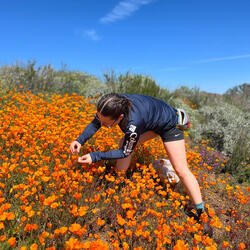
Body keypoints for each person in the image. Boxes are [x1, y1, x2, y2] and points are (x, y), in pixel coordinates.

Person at [70, 93, 212, 236]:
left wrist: (95, 156)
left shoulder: (133, 122)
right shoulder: (113, 104)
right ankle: (117, 183)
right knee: (124, 142)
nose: (103, 125)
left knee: (181, 170)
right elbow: (96, 122)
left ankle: (202, 213)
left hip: (170, 124)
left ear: (120, 118)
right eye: (101, 120)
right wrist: (80, 140)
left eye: (107, 124)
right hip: (152, 118)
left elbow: (125, 152)